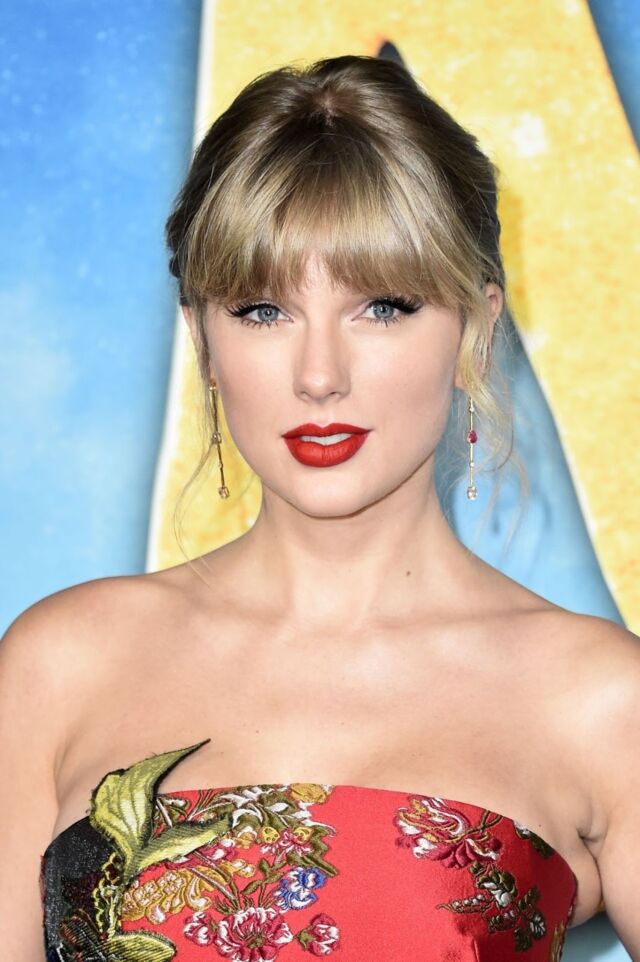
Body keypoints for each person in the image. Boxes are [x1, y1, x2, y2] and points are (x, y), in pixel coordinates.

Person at [1, 54, 638, 962]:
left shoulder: (600, 700)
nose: (319, 376)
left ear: (476, 327)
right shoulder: (61, 665)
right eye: (263, 311)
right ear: (201, 338)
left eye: (384, 306)